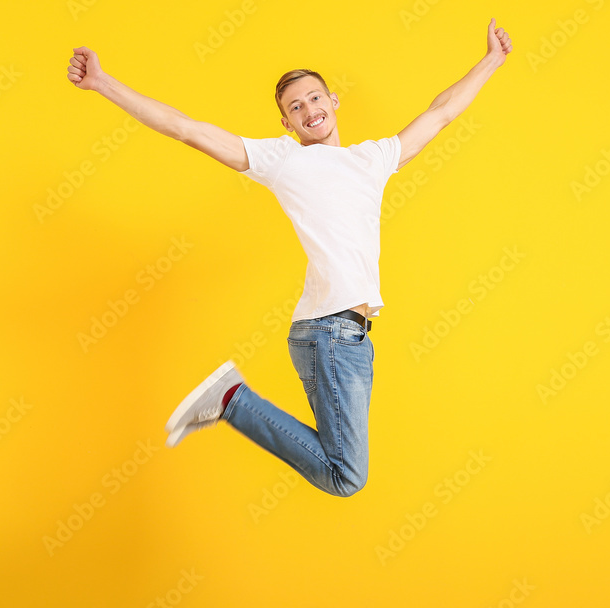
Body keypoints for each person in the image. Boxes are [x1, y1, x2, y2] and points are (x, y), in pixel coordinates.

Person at [67, 18, 512, 497]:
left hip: (352, 337)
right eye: (295, 106)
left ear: (334, 101)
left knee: (343, 472)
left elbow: (441, 112)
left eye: (316, 98)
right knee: (347, 477)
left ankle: (232, 400)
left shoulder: (373, 158)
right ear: (286, 123)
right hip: (330, 332)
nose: (309, 110)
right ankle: (232, 400)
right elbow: (186, 129)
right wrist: (101, 83)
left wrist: (492, 60)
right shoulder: (283, 160)